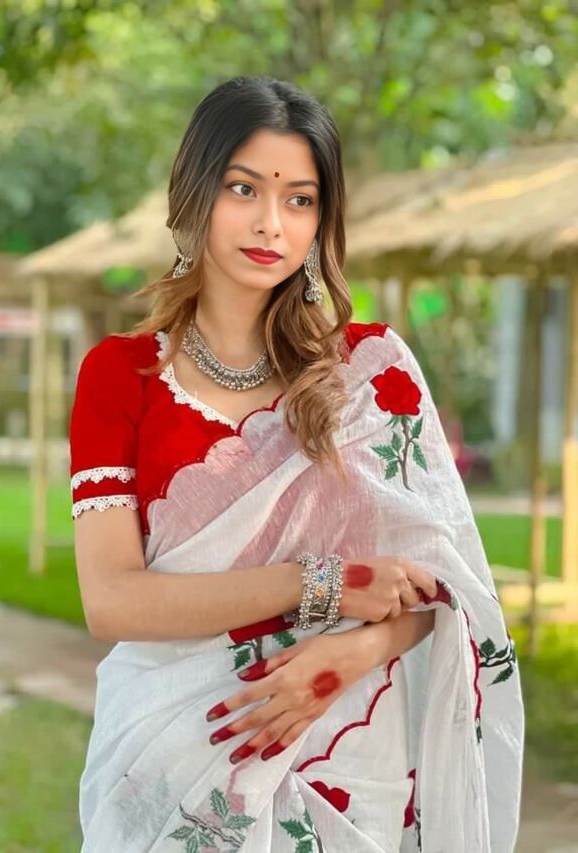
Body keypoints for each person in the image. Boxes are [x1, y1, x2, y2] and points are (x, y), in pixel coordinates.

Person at [69, 76, 524, 852]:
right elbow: (111, 601)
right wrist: (323, 584)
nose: (270, 223)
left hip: (349, 759)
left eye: (300, 199)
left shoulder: (369, 373)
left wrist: (353, 649)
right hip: (173, 761)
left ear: (321, 220)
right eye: (244, 188)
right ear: (194, 192)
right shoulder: (122, 374)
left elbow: (440, 584)